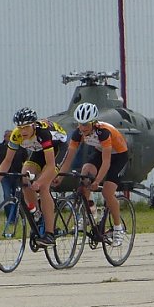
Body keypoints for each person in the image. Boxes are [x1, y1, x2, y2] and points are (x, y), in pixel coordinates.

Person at [0, 107, 68, 247]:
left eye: (26, 127)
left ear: (33, 125)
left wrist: (40, 182)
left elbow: (50, 165)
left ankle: (50, 234)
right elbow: (7, 161)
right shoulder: (16, 135)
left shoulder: (42, 132)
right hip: (38, 151)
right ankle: (37, 215)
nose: (23, 131)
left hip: (57, 149)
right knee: (24, 178)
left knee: (43, 186)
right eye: (20, 127)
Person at [56, 103, 130, 246]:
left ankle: (117, 228)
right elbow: (69, 157)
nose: (83, 128)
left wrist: (97, 181)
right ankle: (89, 211)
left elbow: (107, 162)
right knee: (84, 176)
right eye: (80, 124)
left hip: (118, 156)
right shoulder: (78, 133)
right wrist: (60, 175)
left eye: (86, 125)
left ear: (94, 123)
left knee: (107, 192)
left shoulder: (104, 132)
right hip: (99, 152)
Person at [0, 129, 28, 223]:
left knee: (18, 197)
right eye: (7, 136)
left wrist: (24, 172)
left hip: (17, 175)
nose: (8, 138)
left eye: (10, 136)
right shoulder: (0, 147)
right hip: (5, 176)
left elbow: (26, 159)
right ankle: (10, 219)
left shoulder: (21, 147)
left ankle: (17, 216)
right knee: (7, 196)